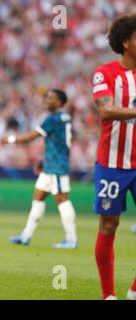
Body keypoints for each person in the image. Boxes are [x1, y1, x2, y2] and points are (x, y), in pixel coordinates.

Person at [91, 13, 136, 300]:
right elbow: (106, 111)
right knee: (109, 225)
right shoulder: (104, 73)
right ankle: (109, 296)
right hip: (112, 164)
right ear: (126, 42)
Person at [2, 89, 78, 249]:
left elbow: (31, 137)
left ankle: (71, 239)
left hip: (57, 167)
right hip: (51, 165)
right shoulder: (65, 117)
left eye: (51, 98)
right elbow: (58, 142)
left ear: (60, 102)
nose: (47, 100)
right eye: (47, 97)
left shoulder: (52, 118)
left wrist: (10, 139)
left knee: (63, 201)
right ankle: (25, 236)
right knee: (38, 198)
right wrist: (44, 161)